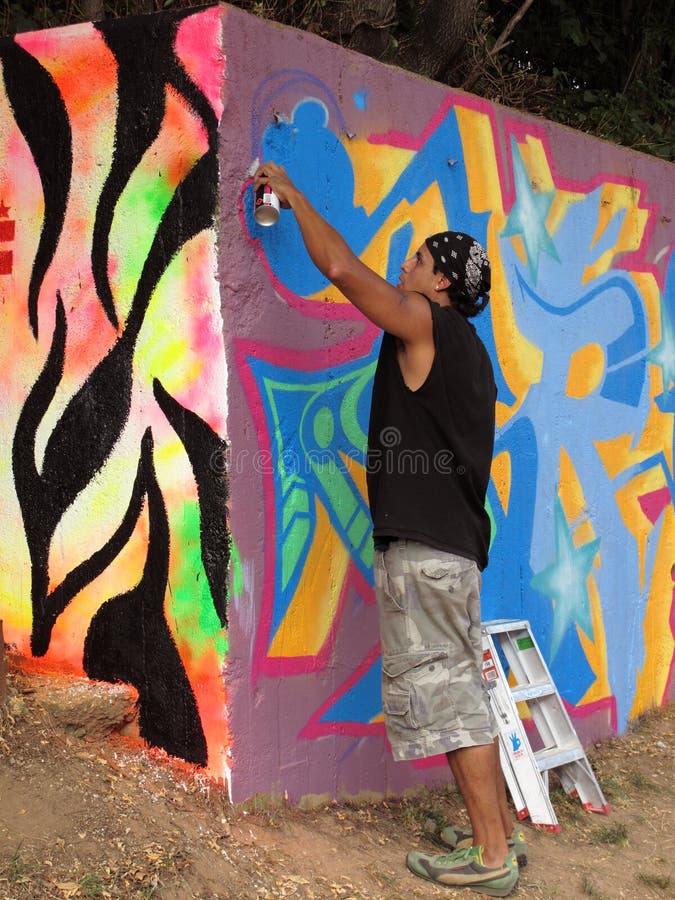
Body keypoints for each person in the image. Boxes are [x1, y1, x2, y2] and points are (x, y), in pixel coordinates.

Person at [254, 162, 522, 897]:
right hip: (452, 553)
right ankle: (497, 833)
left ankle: (492, 857)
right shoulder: (471, 352)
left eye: (418, 259)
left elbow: (341, 269)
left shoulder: (427, 326)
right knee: (460, 691)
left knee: (450, 701)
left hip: (426, 556)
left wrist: (294, 194)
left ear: (442, 283)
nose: (406, 264)